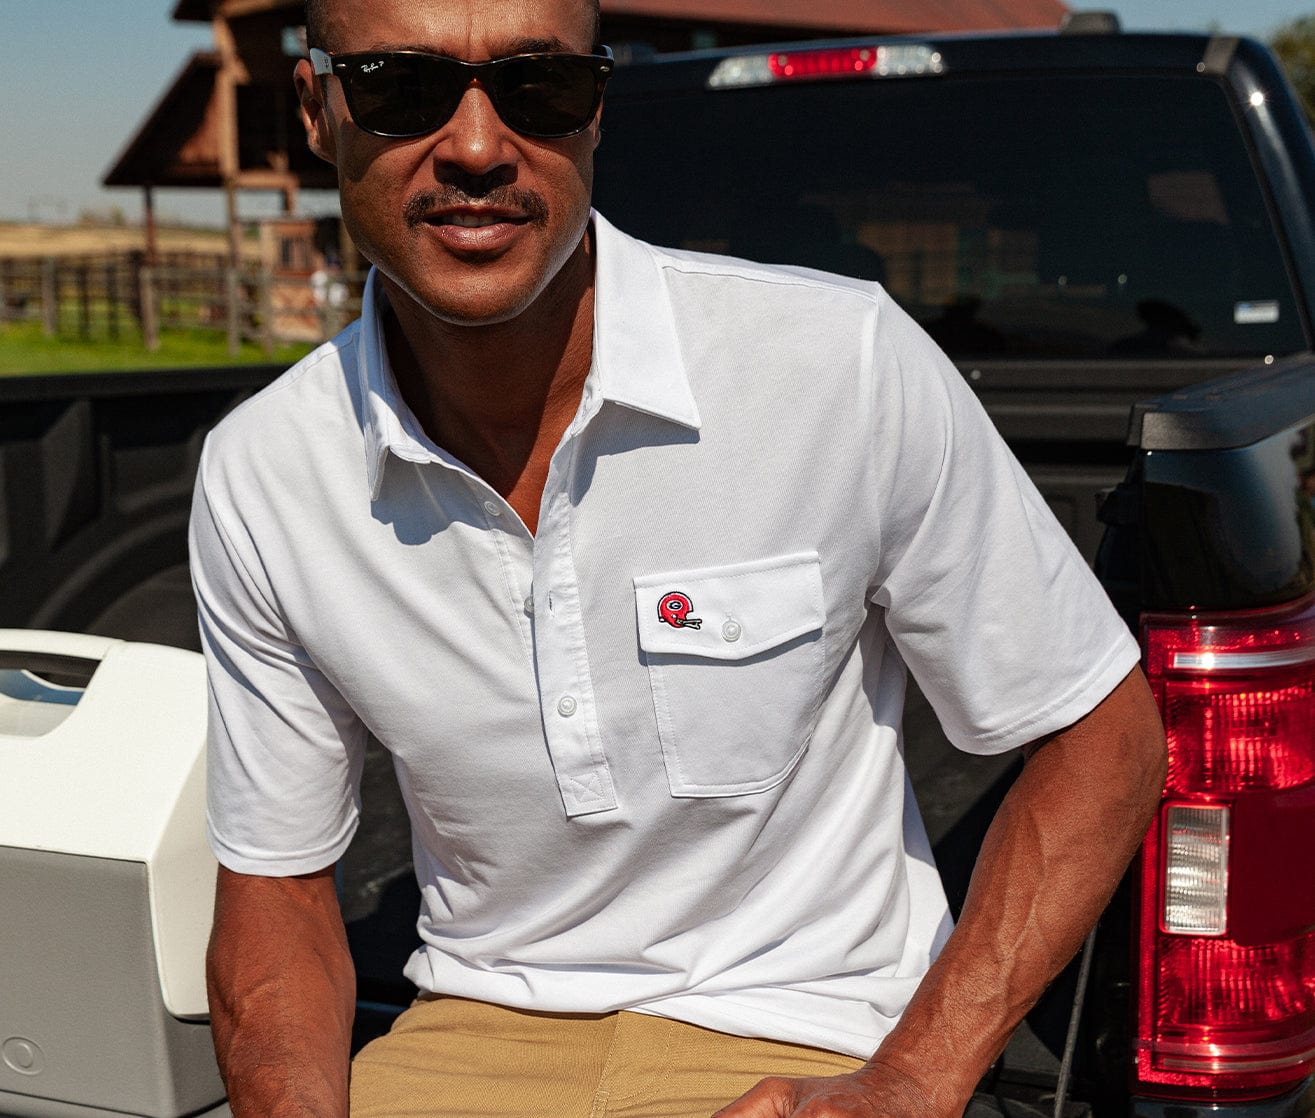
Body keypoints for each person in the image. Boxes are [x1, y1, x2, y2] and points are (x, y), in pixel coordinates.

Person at [190, 0, 1167, 1116]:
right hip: (468, 1034)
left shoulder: (836, 365)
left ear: (596, 107)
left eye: (538, 86)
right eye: (400, 89)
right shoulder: (266, 470)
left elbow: (1103, 734)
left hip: (813, 1038)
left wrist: (913, 1079)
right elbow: (276, 882)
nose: (476, 145)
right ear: (316, 107)